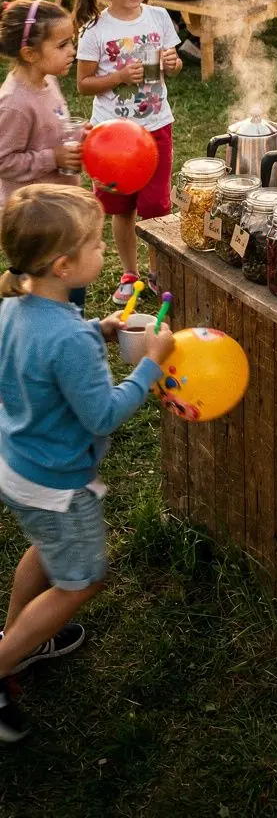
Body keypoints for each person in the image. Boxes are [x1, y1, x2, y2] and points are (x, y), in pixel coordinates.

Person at [0, 185, 174, 742]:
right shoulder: (67, 340)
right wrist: (149, 367)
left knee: (46, 551)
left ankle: (19, 640)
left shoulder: (11, 308)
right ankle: (5, 660)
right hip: (57, 482)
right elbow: (102, 415)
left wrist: (94, 331)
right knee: (82, 583)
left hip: (18, 467)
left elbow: (39, 361)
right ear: (63, 264)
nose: (105, 254)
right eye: (98, 245)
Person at [75, 0, 182, 305]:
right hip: (112, 137)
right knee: (121, 208)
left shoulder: (159, 18)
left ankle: (156, 271)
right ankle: (129, 271)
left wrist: (172, 64)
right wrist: (118, 77)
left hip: (156, 127)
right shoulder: (95, 31)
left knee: (156, 205)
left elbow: (175, 64)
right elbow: (83, 83)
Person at [0, 0, 85, 212]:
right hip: (32, 216)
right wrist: (53, 158)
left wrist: (82, 136)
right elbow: (4, 162)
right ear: (30, 54)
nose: (72, 51)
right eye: (62, 45)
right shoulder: (14, 104)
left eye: (72, 42)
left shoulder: (48, 82)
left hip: (59, 204)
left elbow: (52, 132)